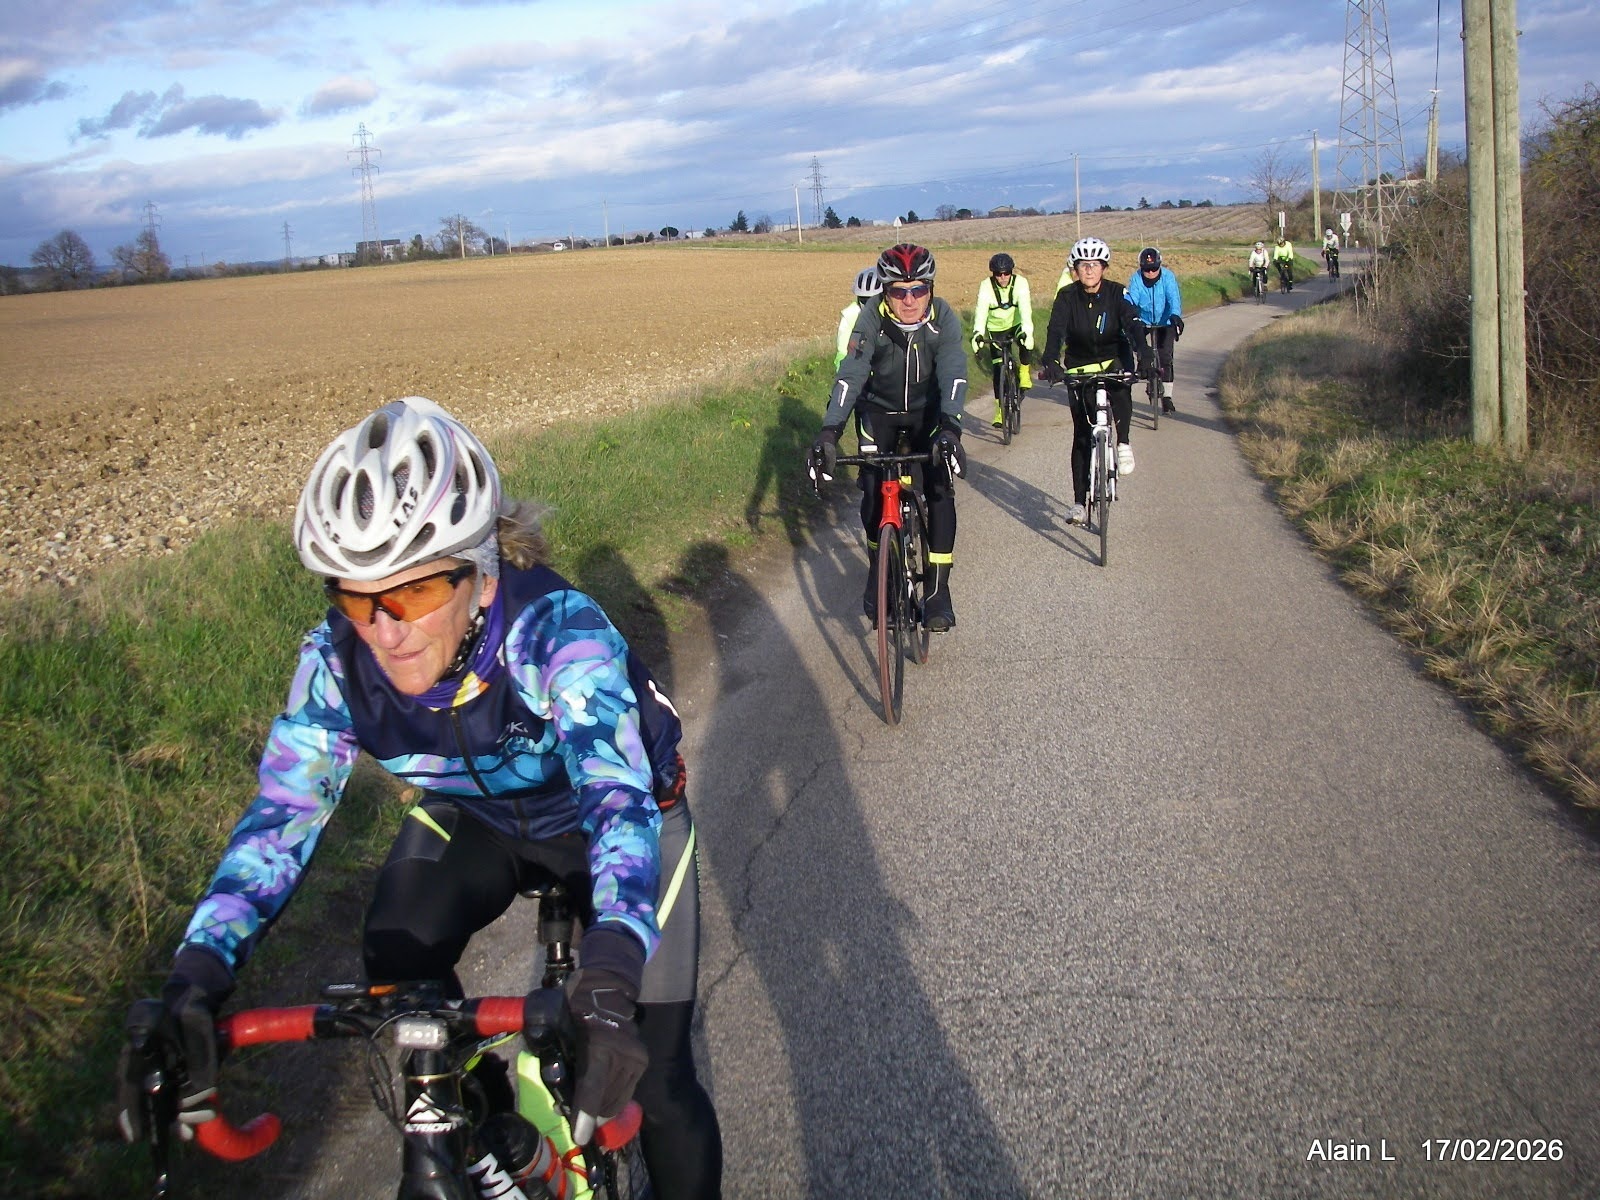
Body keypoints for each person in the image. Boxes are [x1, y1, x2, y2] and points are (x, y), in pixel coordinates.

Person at [114, 397, 723, 1199]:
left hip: (618, 820)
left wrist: (611, 965)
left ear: (480, 571)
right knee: (397, 959)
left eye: (413, 593)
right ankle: (484, 1129)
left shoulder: (555, 633)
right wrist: (196, 977)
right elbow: (280, 820)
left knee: (658, 1081)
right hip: (475, 816)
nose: (385, 631)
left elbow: (615, 797)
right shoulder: (336, 664)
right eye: (356, 598)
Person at [808, 243, 968, 631]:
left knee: (940, 487)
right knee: (872, 491)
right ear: (885, 292)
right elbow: (850, 374)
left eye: (918, 290)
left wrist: (950, 428)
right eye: (898, 291)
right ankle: (879, 571)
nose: (909, 300)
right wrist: (830, 432)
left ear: (930, 288)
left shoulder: (943, 317)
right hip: (878, 413)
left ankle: (937, 590)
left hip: (928, 413)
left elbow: (953, 371)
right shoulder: (871, 319)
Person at [1036, 236, 1147, 526]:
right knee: (1082, 435)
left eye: (1095, 264)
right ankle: (1078, 503)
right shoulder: (1066, 297)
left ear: (1104, 268)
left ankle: (1123, 442)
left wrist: (1145, 353)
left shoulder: (1118, 293)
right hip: (1080, 366)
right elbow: (1056, 330)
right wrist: (1051, 360)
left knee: (1121, 391)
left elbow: (1133, 323)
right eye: (1083, 264)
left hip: (1113, 359)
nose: (1089, 269)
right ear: (1075, 269)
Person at [970, 252, 1035, 428]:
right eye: (998, 274)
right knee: (998, 368)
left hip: (1015, 324)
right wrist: (978, 334)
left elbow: (1026, 311)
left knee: (1025, 341)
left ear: (1011, 272)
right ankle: (1000, 410)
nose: (1003, 277)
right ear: (993, 274)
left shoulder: (1020, 283)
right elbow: (981, 312)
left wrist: (1027, 332)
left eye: (1006, 273)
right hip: (996, 329)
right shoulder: (986, 286)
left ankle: (1024, 372)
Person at [1124, 246, 1184, 414]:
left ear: (1159, 266)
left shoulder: (1168, 277)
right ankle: (1144, 364)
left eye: (1154, 269)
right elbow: (1131, 298)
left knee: (1166, 356)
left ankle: (1167, 397)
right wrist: (1129, 311)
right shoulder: (1136, 279)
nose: (1150, 273)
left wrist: (1175, 315)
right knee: (1135, 341)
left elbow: (1173, 298)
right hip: (1143, 319)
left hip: (1165, 320)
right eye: (1146, 270)